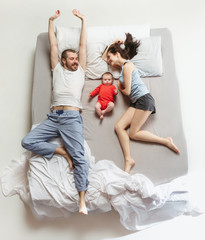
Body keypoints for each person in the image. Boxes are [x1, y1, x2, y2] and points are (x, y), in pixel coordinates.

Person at [21, 9, 89, 215]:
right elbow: (53, 45)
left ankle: (82, 200)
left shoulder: (81, 71)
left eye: (77, 58)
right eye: (71, 58)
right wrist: (50, 22)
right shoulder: (57, 69)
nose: (76, 60)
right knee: (27, 142)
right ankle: (60, 151)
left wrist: (84, 20)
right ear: (63, 61)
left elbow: (83, 45)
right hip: (53, 117)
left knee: (79, 157)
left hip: (71, 118)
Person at [102, 33, 180, 174]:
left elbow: (127, 91)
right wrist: (113, 42)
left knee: (133, 133)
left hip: (144, 100)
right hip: (137, 102)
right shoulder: (122, 67)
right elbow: (103, 57)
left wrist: (120, 88)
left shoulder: (127, 66)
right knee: (119, 127)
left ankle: (165, 140)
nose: (108, 61)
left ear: (117, 53)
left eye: (110, 57)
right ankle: (128, 159)